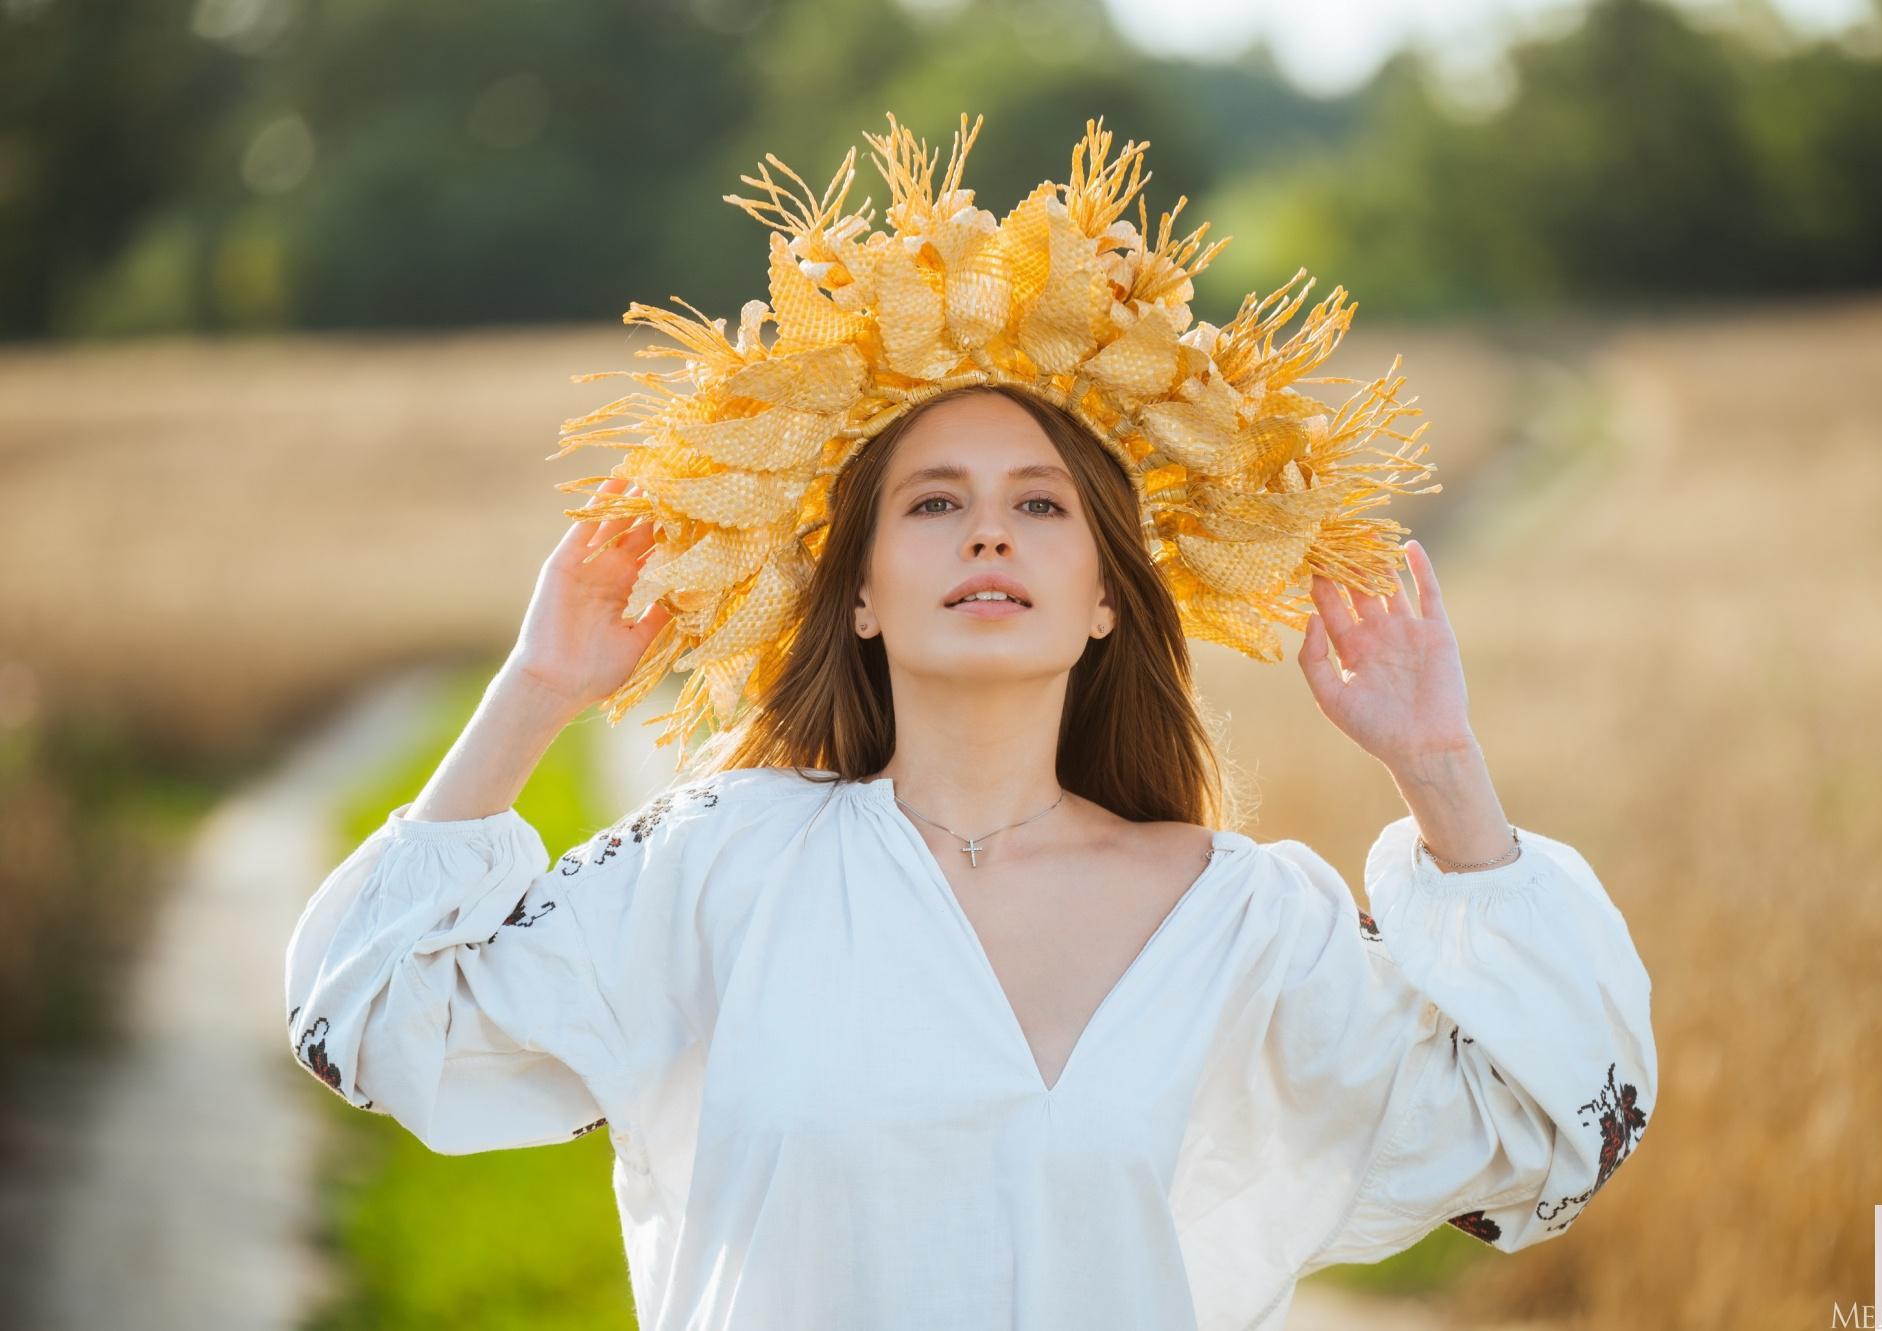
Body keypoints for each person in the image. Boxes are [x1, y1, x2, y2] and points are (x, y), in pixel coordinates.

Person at [284, 113, 1657, 1331]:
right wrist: (538, 691)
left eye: (1042, 503)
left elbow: (1547, 1131)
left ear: (1110, 601)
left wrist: (1439, 767)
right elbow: (371, 1009)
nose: (989, 529)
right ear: (864, 595)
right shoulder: (721, 867)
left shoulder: (1242, 923)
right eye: (933, 502)